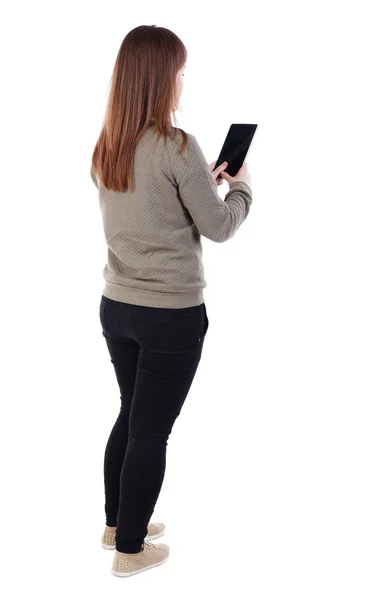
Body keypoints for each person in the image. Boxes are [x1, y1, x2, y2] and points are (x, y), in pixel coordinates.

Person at [90, 24, 253, 579]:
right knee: (149, 432)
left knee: (130, 415)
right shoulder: (178, 146)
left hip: (118, 307)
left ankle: (117, 522)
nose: (183, 80)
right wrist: (241, 189)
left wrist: (197, 187)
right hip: (171, 317)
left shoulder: (107, 144)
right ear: (161, 78)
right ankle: (130, 552)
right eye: (179, 71)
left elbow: (149, 212)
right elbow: (219, 227)